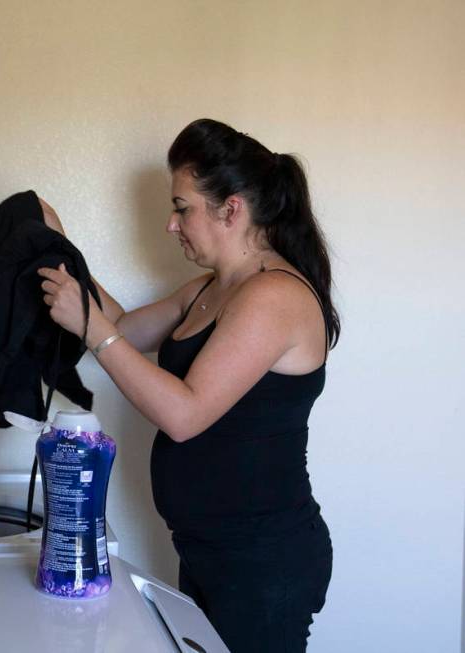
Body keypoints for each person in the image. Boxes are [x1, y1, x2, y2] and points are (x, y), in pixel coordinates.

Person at [37, 118, 336, 653]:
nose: (172, 225)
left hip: (263, 561)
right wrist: (60, 247)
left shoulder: (273, 298)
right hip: (211, 549)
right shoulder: (210, 288)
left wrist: (91, 328)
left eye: (182, 207)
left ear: (232, 208)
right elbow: (125, 329)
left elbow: (185, 413)